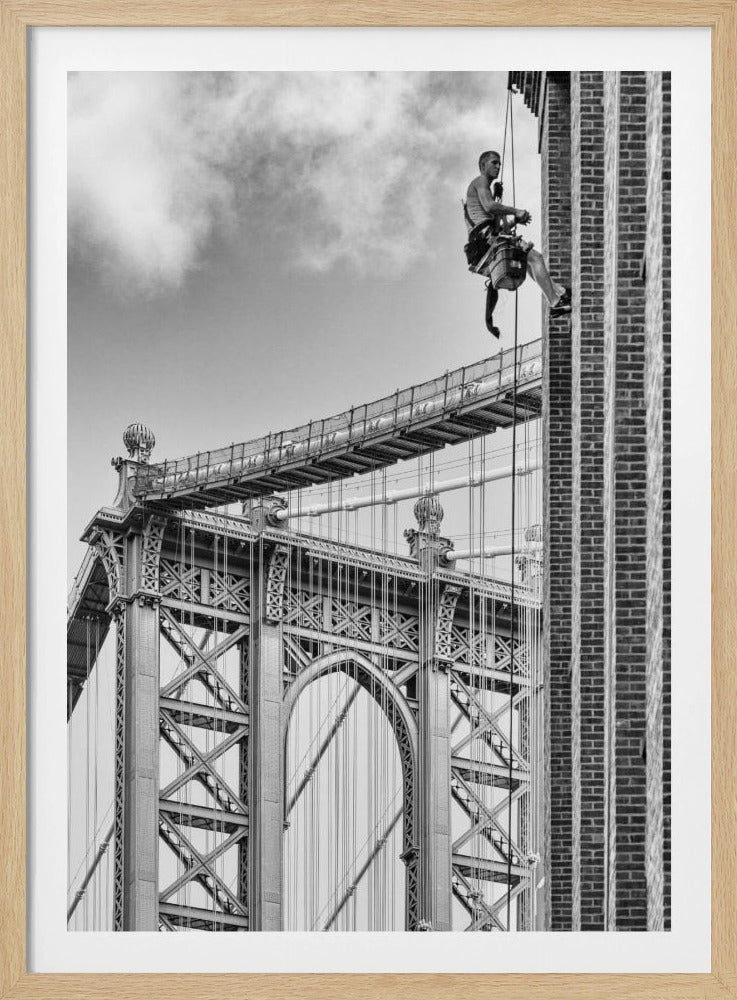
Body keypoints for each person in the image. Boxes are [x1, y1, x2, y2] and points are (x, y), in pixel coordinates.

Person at [465, 150, 571, 317]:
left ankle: (560, 292)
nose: (498, 166)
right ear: (482, 165)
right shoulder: (480, 181)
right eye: (494, 162)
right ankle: (555, 302)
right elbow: (489, 206)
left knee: (528, 262)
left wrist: (515, 221)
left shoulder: (484, 188)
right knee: (535, 258)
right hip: (486, 240)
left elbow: (495, 223)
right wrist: (516, 211)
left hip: (484, 242)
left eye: (499, 163)